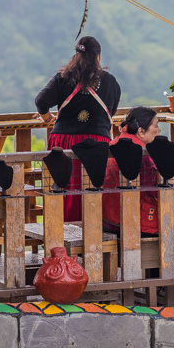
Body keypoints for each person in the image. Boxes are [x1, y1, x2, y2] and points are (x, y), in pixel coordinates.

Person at [100, 106, 174, 305]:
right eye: (155, 126)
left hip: (109, 218)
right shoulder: (142, 155)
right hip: (132, 219)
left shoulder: (117, 142)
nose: (159, 130)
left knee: (169, 223)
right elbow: (158, 190)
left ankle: (158, 282)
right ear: (141, 131)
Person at [35, 36, 121, 220]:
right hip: (96, 143)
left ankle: (59, 232)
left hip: (64, 143)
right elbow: (111, 111)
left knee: (62, 188)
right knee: (95, 188)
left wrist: (47, 118)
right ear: (98, 57)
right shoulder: (110, 81)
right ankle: (95, 231)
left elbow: (41, 101)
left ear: (76, 55)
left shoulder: (63, 77)